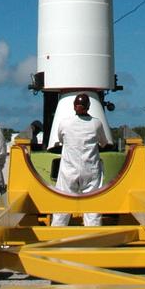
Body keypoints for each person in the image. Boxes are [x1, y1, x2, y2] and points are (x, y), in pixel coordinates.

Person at [51, 92, 107, 226]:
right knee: (92, 207)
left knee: (62, 206)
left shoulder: (65, 123)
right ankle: (92, 241)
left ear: (74, 106)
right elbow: (103, 142)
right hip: (90, 170)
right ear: (88, 106)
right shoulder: (96, 124)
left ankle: (55, 238)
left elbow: (60, 139)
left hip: (68, 171)